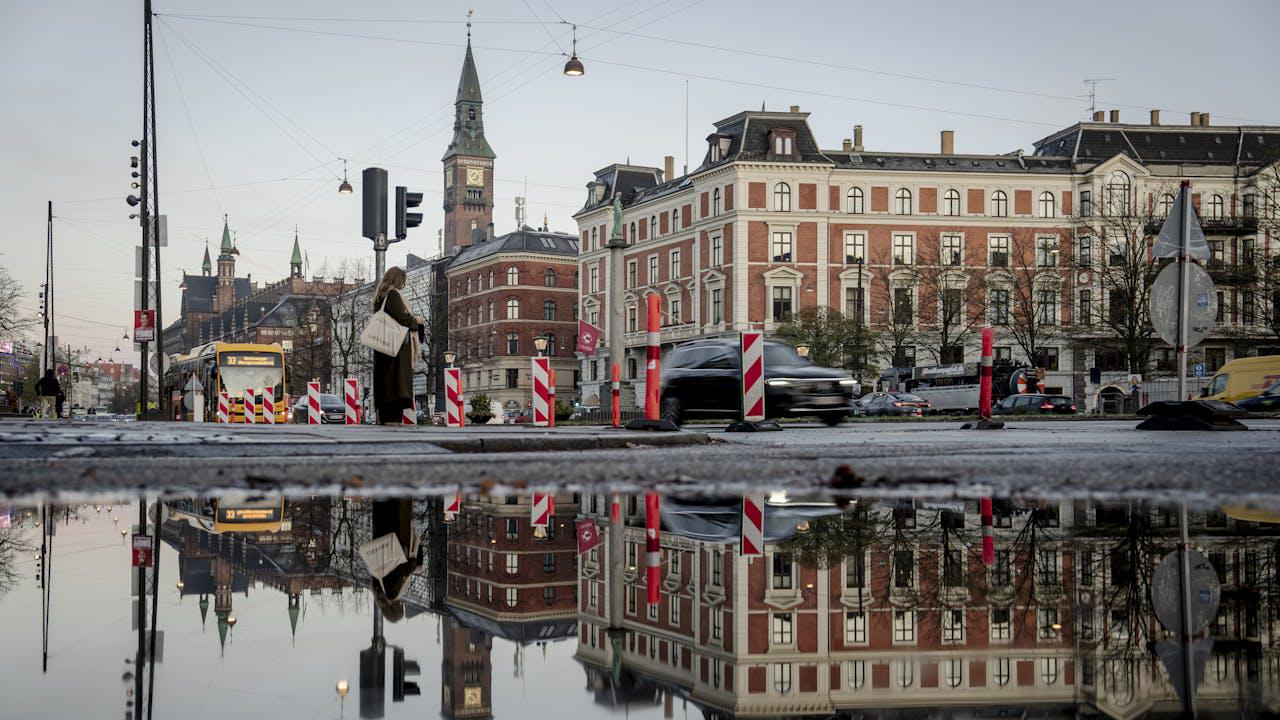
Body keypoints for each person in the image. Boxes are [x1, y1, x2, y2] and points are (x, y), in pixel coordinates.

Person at [371, 267, 423, 425]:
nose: (403, 285)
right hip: (396, 350)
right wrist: (417, 322)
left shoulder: (380, 297)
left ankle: (388, 419)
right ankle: (393, 420)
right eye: (403, 281)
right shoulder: (392, 295)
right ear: (398, 280)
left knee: (386, 386)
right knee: (396, 386)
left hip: (384, 348)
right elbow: (402, 317)